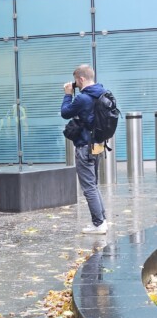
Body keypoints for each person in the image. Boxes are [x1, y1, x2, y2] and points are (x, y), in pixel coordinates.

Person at [61, 64, 107, 235]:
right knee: (93, 185)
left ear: (81, 79)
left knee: (88, 187)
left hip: (84, 146)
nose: (75, 85)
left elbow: (65, 113)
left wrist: (67, 95)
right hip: (98, 144)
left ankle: (98, 223)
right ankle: (102, 220)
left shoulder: (83, 99)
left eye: (76, 81)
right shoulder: (102, 92)